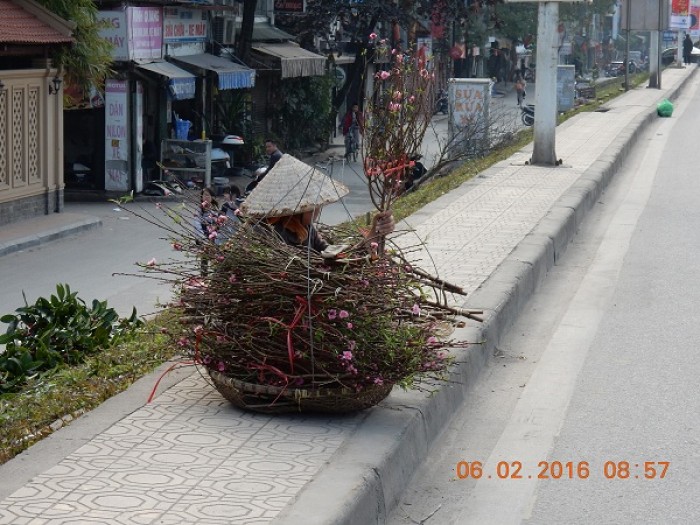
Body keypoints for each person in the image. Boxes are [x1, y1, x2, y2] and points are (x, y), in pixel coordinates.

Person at [239, 153, 394, 255]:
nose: (319, 209)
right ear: (297, 209)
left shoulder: (305, 229)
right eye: (313, 205)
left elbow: (332, 254)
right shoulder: (266, 233)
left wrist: (375, 232)